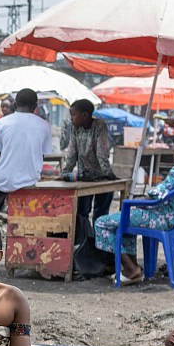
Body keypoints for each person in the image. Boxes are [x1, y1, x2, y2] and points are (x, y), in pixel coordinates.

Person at [93, 124, 174, 284]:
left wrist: (136, 202)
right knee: (125, 218)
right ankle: (134, 267)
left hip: (161, 218)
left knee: (102, 223)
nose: (173, 149)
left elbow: (157, 195)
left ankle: (131, 269)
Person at [0, 88, 51, 223]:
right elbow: (41, 157)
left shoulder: (1, 123)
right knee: (24, 221)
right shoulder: (45, 126)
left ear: (14, 105)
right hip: (29, 181)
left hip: (2, 180)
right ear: (35, 107)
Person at [60, 98, 117, 240]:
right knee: (82, 212)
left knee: (101, 213)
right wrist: (65, 173)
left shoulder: (99, 126)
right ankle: (84, 243)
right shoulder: (75, 128)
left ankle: (100, 244)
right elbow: (72, 152)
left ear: (85, 115)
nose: (71, 118)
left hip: (101, 176)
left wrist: (108, 175)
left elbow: (101, 153)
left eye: (73, 115)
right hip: (84, 176)